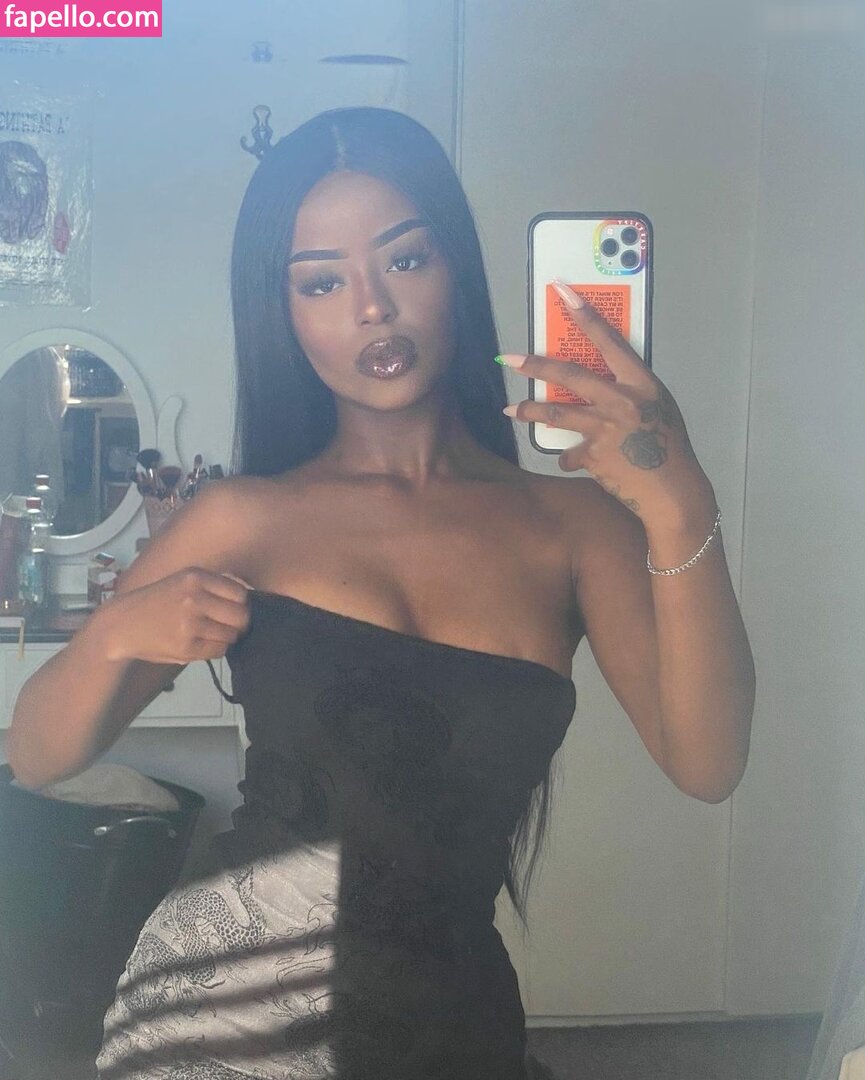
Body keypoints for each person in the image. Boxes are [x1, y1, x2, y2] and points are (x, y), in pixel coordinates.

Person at [7, 106, 755, 1079]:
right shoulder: (243, 518)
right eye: (321, 281)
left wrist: (680, 502)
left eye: (404, 260)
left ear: (455, 270)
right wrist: (116, 633)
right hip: (225, 1016)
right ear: (283, 313)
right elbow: (38, 754)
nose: (372, 308)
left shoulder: (574, 527)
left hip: (450, 1024)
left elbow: (707, 763)